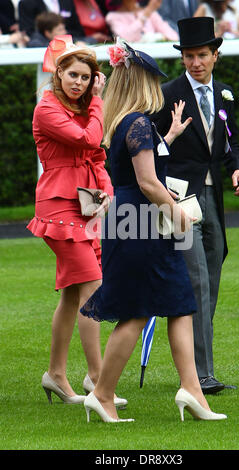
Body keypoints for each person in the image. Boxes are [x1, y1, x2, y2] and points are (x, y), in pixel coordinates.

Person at [80, 39, 227, 423]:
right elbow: (147, 182)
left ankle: (192, 392)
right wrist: (178, 212)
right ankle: (103, 394)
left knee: (181, 303)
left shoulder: (131, 122)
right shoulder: (139, 121)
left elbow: (144, 166)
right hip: (142, 224)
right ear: (142, 82)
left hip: (140, 222)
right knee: (135, 313)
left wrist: (172, 135)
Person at [27, 35, 126, 407]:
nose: (79, 83)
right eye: (73, 75)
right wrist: (98, 101)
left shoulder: (83, 107)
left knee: (72, 295)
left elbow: (96, 157)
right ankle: (100, 383)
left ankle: (55, 375)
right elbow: (91, 137)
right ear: (59, 74)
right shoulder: (47, 108)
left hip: (84, 206)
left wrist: (106, 195)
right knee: (93, 289)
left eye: (86, 77)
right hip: (57, 207)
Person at [153, 17, 239, 394]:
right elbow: (150, 148)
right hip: (179, 199)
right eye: (189, 56)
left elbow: (230, 144)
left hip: (215, 199)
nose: (196, 62)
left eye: (202, 55)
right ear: (183, 59)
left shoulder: (225, 94)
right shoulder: (167, 93)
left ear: (215, 56)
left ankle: (195, 368)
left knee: (211, 282)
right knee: (196, 284)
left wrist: (238, 169)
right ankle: (202, 376)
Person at [105, 0, 179, 43]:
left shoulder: (151, 13)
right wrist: (146, 13)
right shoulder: (112, 17)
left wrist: (159, 37)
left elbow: (173, 36)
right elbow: (127, 38)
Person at [18, 0, 91, 43]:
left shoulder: (67, 1)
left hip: (71, 46)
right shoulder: (27, 3)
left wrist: (72, 41)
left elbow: (77, 29)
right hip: (42, 50)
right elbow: (28, 32)